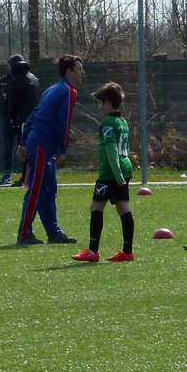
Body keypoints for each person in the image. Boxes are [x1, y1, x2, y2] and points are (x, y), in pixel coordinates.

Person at [17, 54, 84, 246]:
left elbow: (33, 114)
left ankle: (53, 233)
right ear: (69, 71)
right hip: (41, 144)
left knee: (49, 189)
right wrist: (62, 148)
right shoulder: (68, 91)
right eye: (79, 69)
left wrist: (23, 141)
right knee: (37, 189)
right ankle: (24, 233)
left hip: (38, 142)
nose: (83, 72)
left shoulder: (52, 89)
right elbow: (64, 122)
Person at [72, 82, 135, 262]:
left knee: (96, 207)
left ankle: (92, 251)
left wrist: (117, 175)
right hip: (126, 166)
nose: (100, 107)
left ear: (107, 103)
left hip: (110, 172)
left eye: (101, 103)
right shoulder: (122, 122)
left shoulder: (107, 123)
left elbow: (111, 150)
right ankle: (127, 251)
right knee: (123, 208)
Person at [0, 54, 41, 187]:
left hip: (22, 119)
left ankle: (26, 176)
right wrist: (1, 107)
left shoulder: (27, 80)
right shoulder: (4, 80)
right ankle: (7, 174)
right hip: (10, 119)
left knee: (23, 145)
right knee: (8, 145)